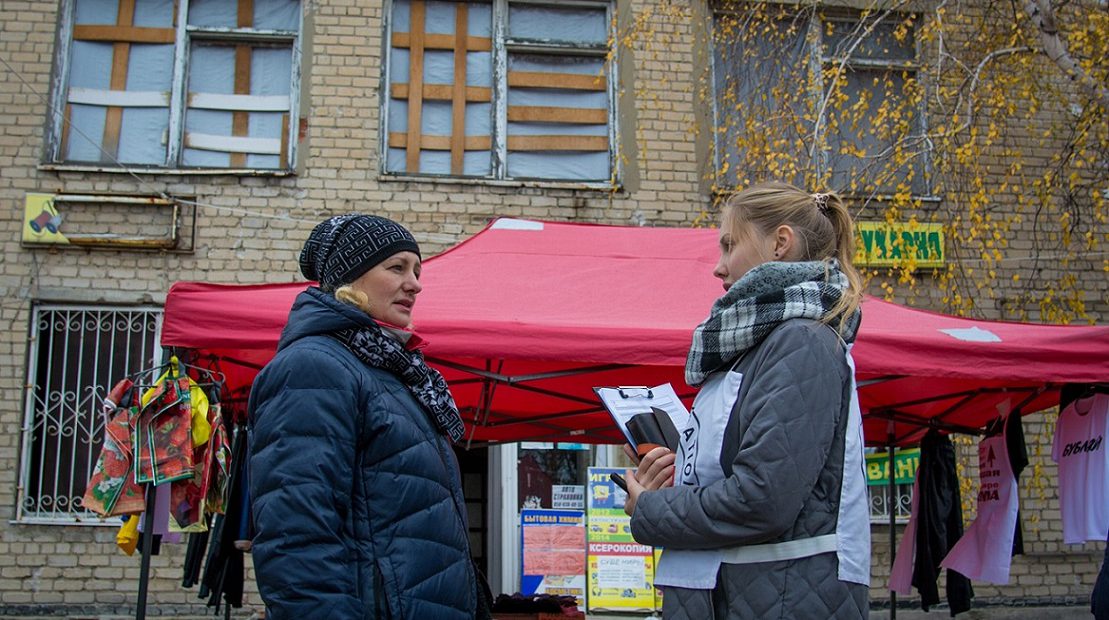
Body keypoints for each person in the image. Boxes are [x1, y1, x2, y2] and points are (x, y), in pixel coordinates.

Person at [624, 181, 871, 619]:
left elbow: (762, 499)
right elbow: (741, 471)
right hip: (745, 595)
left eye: (729, 246)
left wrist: (652, 507)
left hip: (775, 598)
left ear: (780, 243)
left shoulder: (801, 343)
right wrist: (671, 464)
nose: (719, 268)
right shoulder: (757, 347)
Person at [249, 214, 489, 619]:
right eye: (396, 267)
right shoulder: (314, 367)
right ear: (350, 278)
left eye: (416, 270)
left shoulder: (390, 370)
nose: (414, 283)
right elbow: (296, 534)